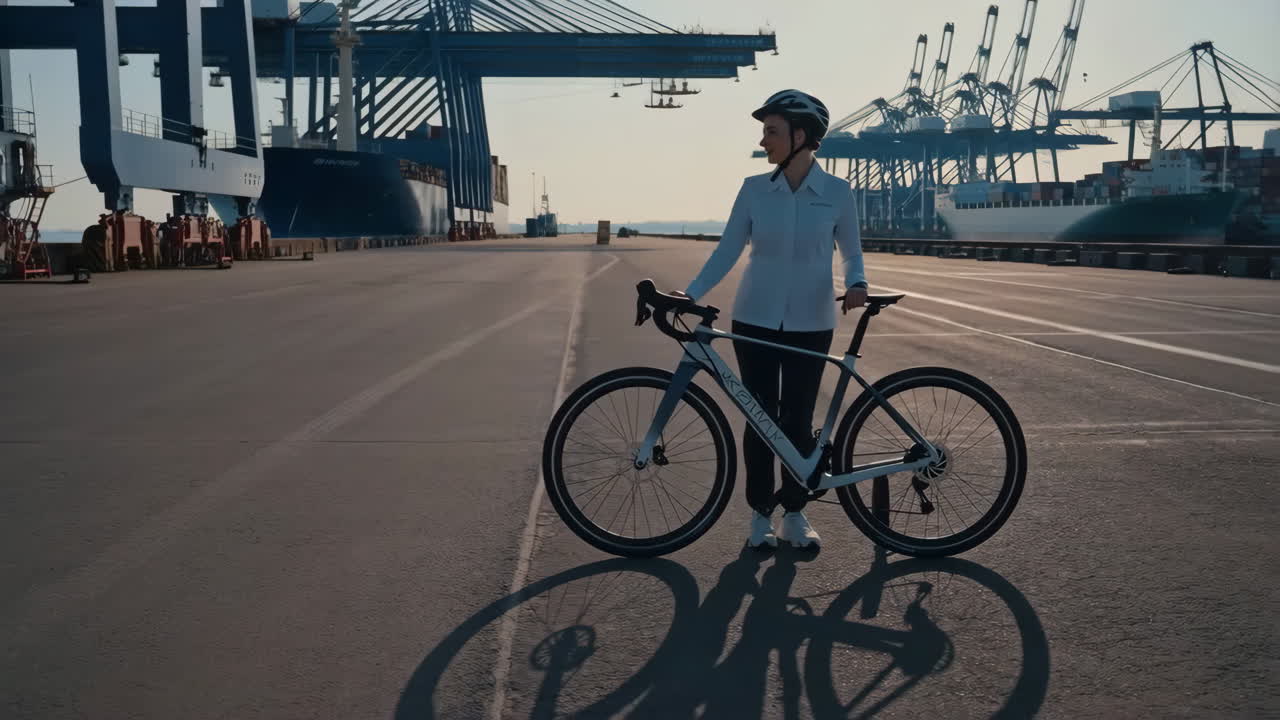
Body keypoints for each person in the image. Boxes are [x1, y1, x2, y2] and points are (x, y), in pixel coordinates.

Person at [672, 89, 867, 550]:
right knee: (759, 418)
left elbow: (853, 253)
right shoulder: (754, 190)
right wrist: (691, 292)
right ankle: (760, 516)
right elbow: (727, 251)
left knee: (797, 420)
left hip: (812, 322)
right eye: (764, 132)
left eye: (772, 131)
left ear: (802, 136)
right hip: (755, 319)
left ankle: (795, 515)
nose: (764, 141)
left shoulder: (837, 193)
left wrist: (857, 283)